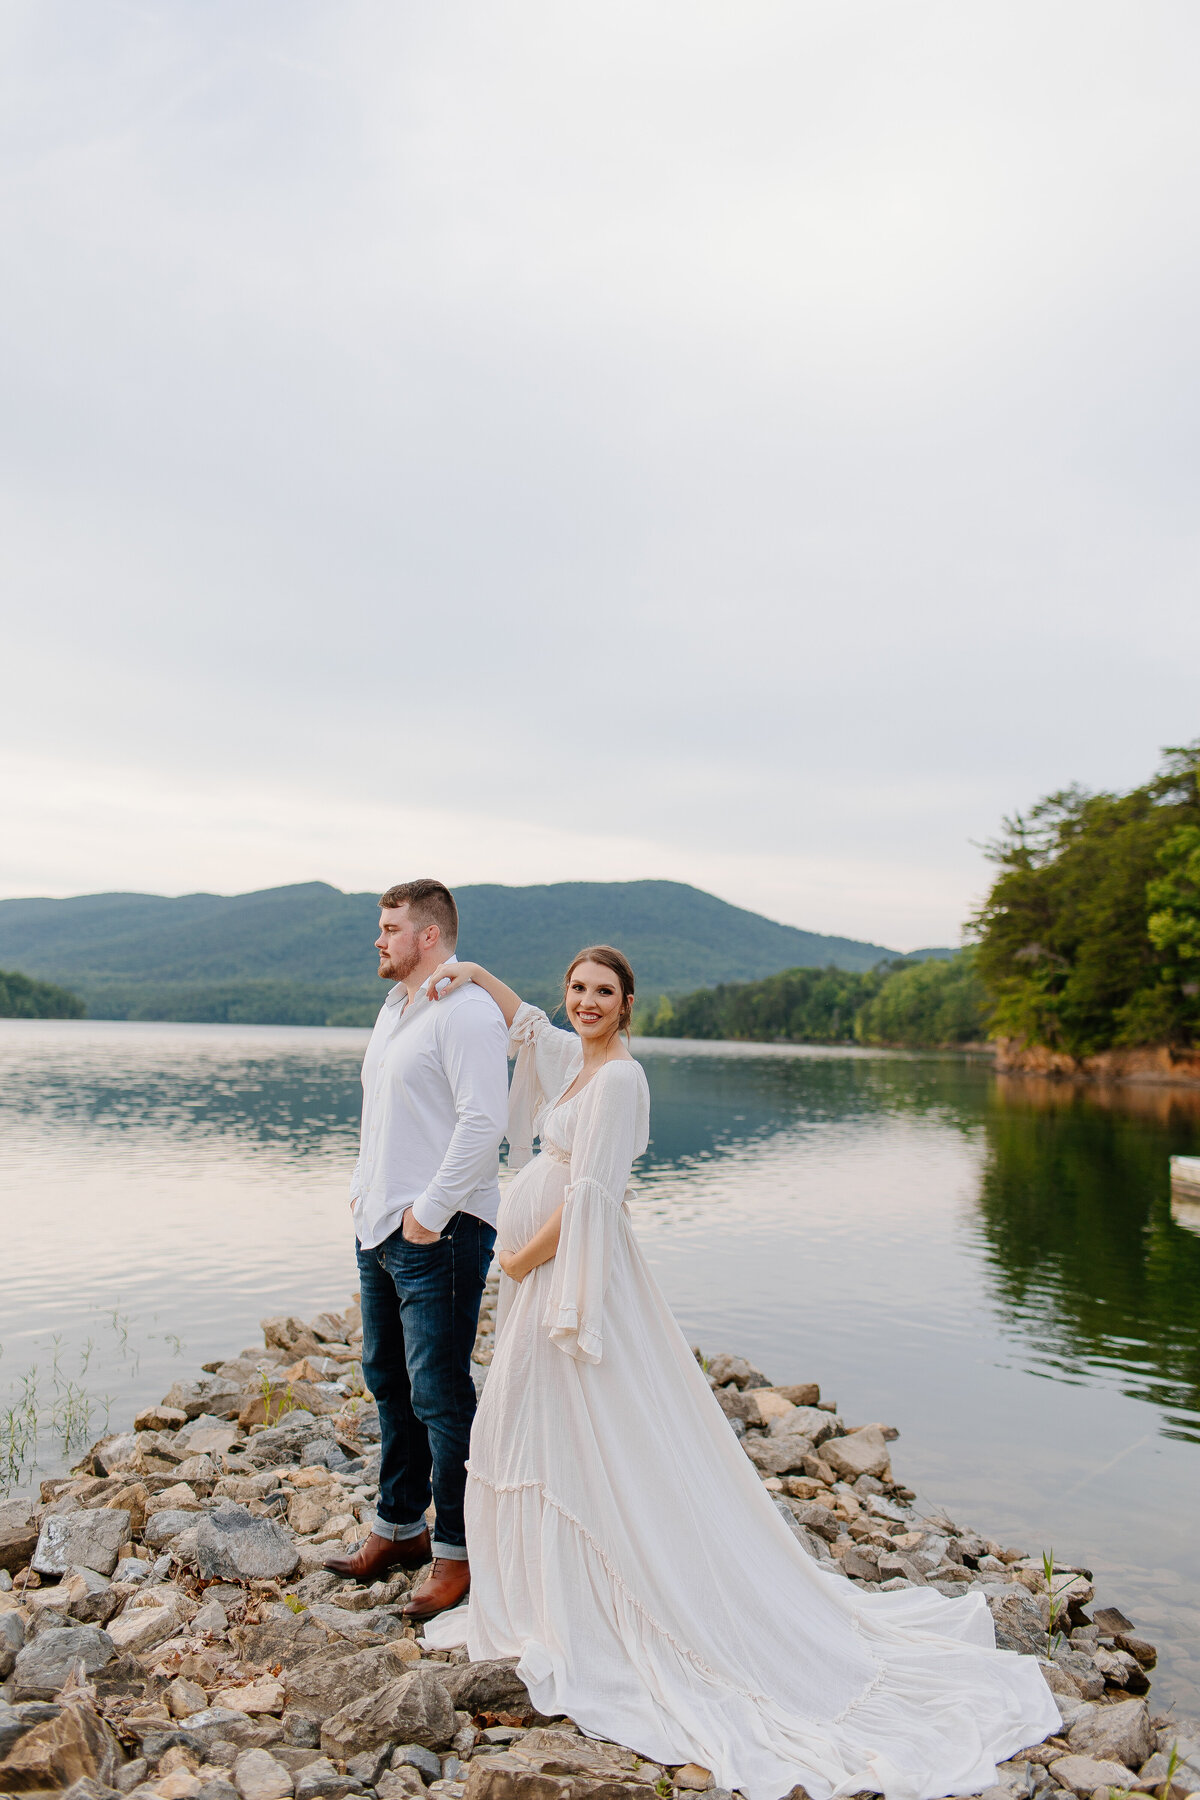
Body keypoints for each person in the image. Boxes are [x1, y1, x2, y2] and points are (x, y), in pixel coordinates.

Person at [421, 946, 1061, 1800]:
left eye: (602, 992)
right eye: (577, 988)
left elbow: (594, 1201)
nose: (585, 1002)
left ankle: (607, 1607)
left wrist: (518, 1260)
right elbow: (527, 1028)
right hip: (544, 1278)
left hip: (564, 1277)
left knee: (568, 1423)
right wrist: (470, 973)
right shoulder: (579, 1064)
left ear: (629, 1003)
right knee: (529, 1423)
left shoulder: (620, 1083)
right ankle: (543, 1602)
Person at [325, 879, 509, 1621]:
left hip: (442, 1230)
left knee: (439, 1390)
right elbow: (386, 1118)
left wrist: (427, 1215)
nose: (379, 938)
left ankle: (457, 1552)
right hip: (382, 1225)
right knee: (386, 1377)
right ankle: (399, 1528)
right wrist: (364, 1190)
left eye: (391, 927)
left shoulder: (462, 1013)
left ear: (429, 936)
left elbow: (483, 1122)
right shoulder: (395, 1010)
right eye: (381, 926)